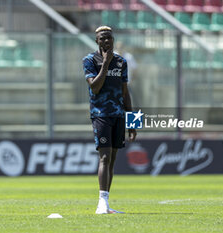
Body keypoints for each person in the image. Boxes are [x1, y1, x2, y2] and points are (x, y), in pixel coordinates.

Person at [82, 26, 137, 214]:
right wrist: (105, 64)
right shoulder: (90, 61)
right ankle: (101, 203)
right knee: (104, 157)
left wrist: (133, 121)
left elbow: (125, 92)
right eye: (102, 38)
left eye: (109, 38)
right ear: (97, 41)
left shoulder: (121, 62)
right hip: (100, 115)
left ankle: (106, 202)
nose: (107, 41)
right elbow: (95, 88)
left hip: (119, 116)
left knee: (112, 160)